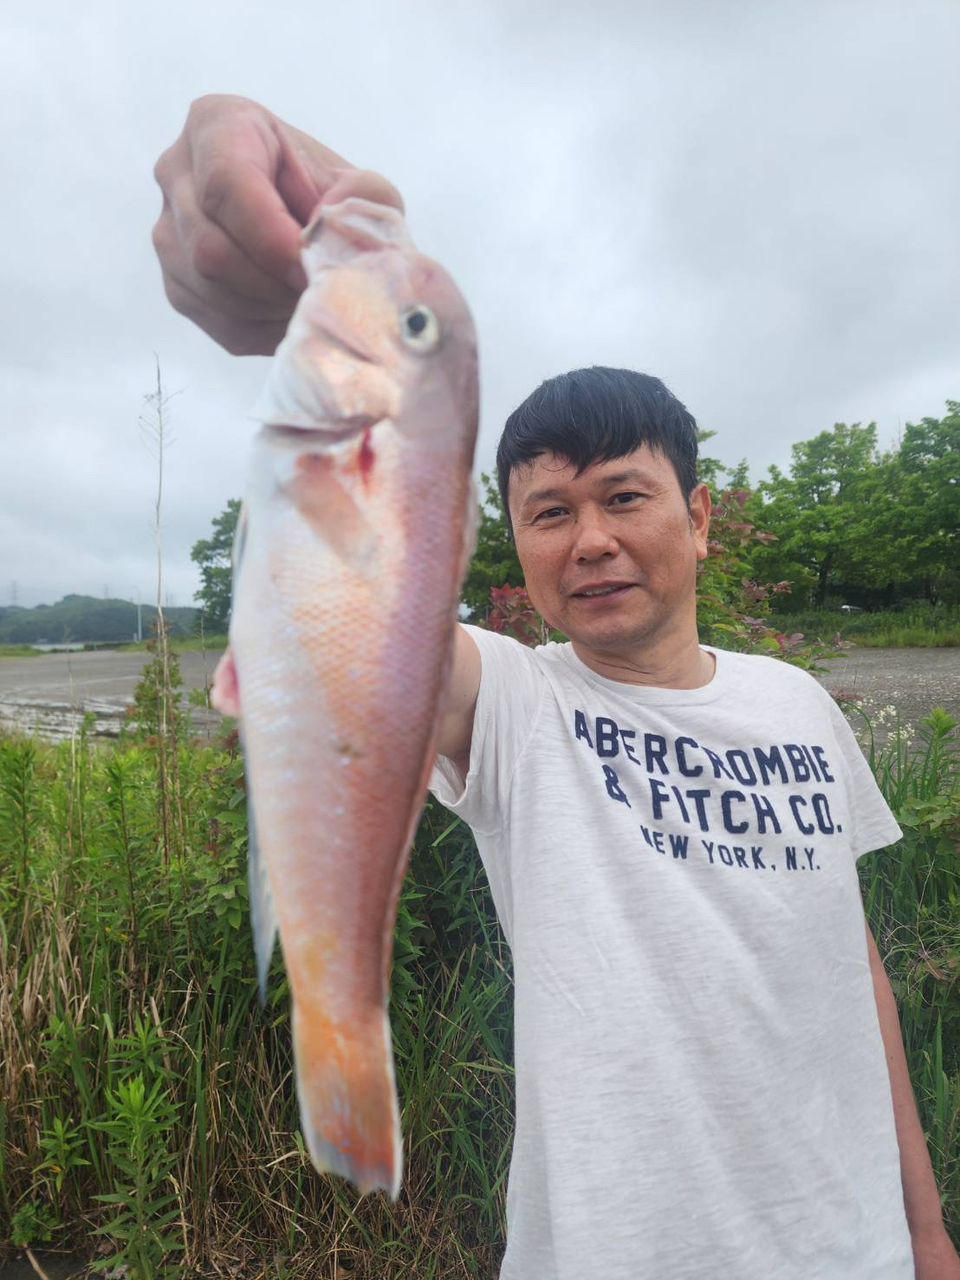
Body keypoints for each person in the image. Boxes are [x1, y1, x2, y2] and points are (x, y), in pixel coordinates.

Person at [153, 95, 960, 1280]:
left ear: (698, 518)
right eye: (548, 511)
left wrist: (927, 1224)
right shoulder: (520, 704)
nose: (589, 538)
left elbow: (851, 971)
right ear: (514, 549)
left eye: (624, 498)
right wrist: (276, 179)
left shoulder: (802, 704)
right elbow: (374, 622)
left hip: (860, 1251)